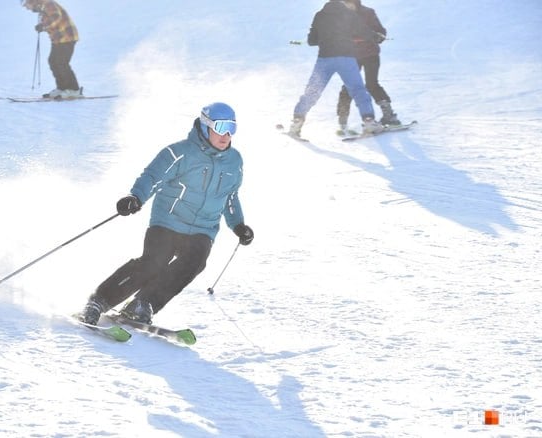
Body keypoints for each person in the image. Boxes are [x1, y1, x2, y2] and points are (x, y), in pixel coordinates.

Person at [77, 102, 254, 325]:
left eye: (232, 128)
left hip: (203, 229)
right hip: (168, 221)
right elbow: (152, 177)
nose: (226, 135)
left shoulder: (234, 161)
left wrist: (238, 225)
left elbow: (230, 196)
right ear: (206, 126)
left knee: (194, 262)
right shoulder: (180, 153)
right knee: (154, 262)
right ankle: (100, 300)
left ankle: (143, 303)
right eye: (221, 127)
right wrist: (136, 198)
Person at [289, 0, 383, 137]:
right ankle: (369, 121)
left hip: (325, 59)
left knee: (312, 91)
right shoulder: (349, 13)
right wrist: (376, 37)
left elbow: (311, 40)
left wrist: (323, 38)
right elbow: (363, 31)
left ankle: (297, 120)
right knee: (357, 89)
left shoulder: (320, 15)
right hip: (346, 58)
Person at [336, 0, 400, 132]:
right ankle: (342, 119)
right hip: (351, 56)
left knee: (372, 84)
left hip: (371, 55)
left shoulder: (368, 13)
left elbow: (380, 30)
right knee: (349, 86)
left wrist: (378, 36)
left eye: (350, 3)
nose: (348, 5)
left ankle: (389, 115)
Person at [21, 0, 81, 99]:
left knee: (61, 63)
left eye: (26, 5)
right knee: (53, 61)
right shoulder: (42, 10)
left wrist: (43, 26)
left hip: (66, 37)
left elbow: (56, 17)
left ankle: (73, 90)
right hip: (58, 39)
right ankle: (62, 88)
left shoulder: (48, 3)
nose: (26, 8)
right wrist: (42, 27)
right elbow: (51, 24)